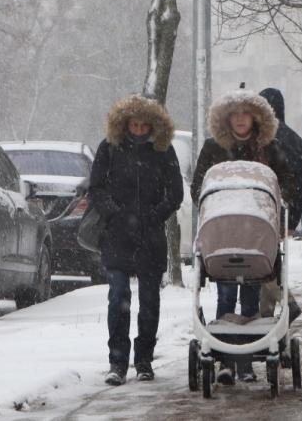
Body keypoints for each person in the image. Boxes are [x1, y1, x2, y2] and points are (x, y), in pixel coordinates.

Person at [191, 89, 296, 384]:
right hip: (223, 232)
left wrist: (278, 202)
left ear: (255, 117)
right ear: (226, 119)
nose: (240, 120)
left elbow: (286, 183)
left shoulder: (269, 148)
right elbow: (199, 184)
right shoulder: (213, 148)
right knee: (226, 295)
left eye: (245, 114)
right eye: (234, 115)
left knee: (250, 295)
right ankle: (226, 360)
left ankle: (246, 361)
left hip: (257, 233)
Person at [89, 94, 183, 386]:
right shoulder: (110, 149)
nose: (139, 129)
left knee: (149, 300)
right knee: (118, 297)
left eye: (145, 125)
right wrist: (115, 213)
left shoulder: (163, 151)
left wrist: (155, 215)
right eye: (134, 124)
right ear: (124, 123)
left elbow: (175, 192)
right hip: (117, 236)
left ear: (154, 125)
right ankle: (117, 362)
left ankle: (144, 360)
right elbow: (96, 187)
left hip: (150, 237)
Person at [257, 88, 302, 322]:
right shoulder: (297, 141)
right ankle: (265, 313)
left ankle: (287, 302)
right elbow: (301, 186)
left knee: (263, 261)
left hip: (264, 209)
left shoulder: (265, 140)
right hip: (284, 210)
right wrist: (293, 219)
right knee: (271, 259)